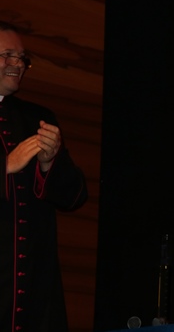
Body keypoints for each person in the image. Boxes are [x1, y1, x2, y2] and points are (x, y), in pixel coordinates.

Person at [0, 21, 88, 331]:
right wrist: (6, 165)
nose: (17, 64)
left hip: (35, 288)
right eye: (7, 55)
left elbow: (75, 197)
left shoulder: (37, 118)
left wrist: (50, 163)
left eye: (22, 57)